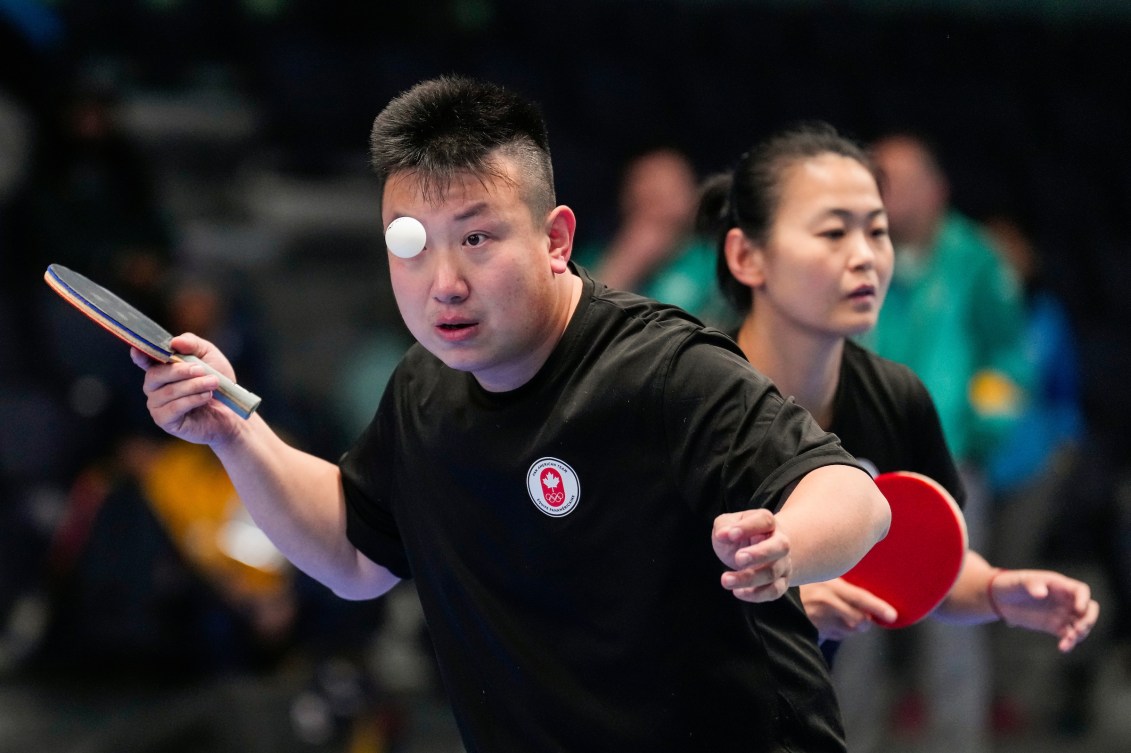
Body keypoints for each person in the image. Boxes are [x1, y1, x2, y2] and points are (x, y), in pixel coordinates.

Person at [130, 76, 891, 752]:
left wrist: (783, 544)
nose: (443, 281)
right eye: (412, 245)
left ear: (555, 238)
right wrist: (235, 430)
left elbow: (853, 495)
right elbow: (357, 558)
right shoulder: (423, 390)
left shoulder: (663, 369)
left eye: (477, 237)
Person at [696, 122, 1100, 752]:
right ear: (747, 256)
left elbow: (928, 566)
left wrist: (994, 589)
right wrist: (790, 597)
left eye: (876, 230)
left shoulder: (897, 398)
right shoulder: (685, 393)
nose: (866, 255)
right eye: (834, 232)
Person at [573, 145, 732, 328]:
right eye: (650, 198)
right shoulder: (588, 260)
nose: (660, 212)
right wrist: (626, 262)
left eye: (669, 195)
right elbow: (578, 326)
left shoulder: (715, 262)